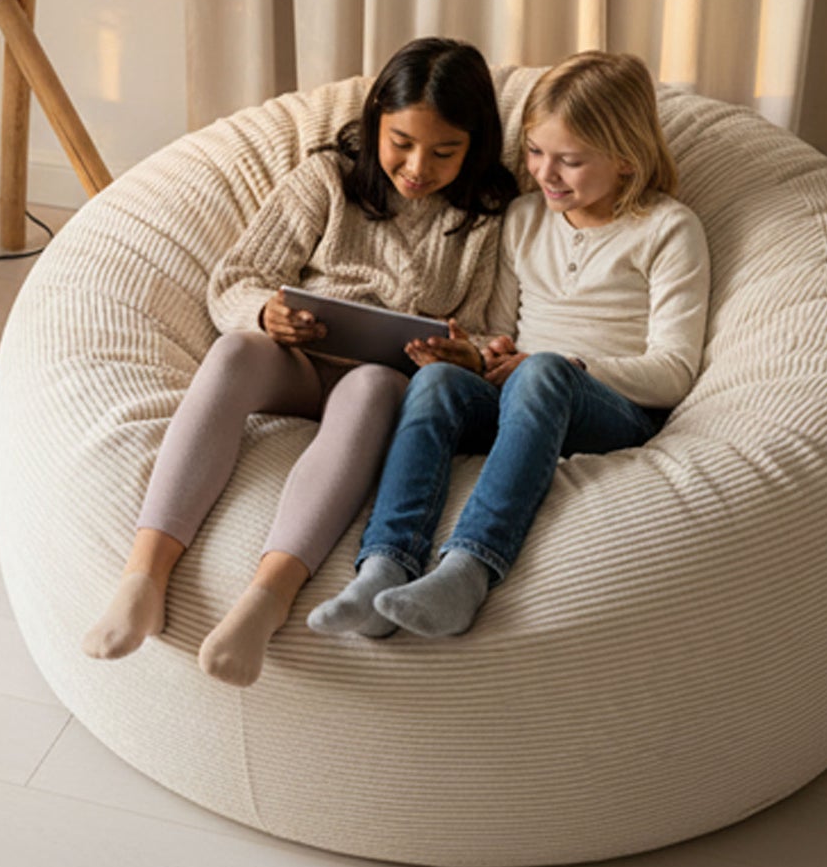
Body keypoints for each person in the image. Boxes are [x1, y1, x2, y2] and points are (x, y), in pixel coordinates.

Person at [82, 37, 516, 685]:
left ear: (474, 146)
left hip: (386, 380)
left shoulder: (487, 217)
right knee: (233, 353)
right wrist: (265, 314)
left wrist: (461, 355)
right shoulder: (326, 179)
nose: (417, 166)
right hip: (301, 359)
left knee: (370, 389)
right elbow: (236, 277)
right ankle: (143, 576)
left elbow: (493, 330)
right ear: (375, 124)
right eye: (401, 142)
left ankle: (266, 601)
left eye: (443, 151)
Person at [309, 50, 710, 640]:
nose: (546, 174)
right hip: (519, 391)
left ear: (627, 160)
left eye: (570, 161)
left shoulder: (668, 230)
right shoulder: (523, 217)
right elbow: (499, 332)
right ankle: (384, 565)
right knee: (438, 381)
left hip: (609, 409)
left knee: (543, 371)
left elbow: (674, 371)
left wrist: (563, 367)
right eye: (535, 153)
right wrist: (474, 356)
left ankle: (469, 569)